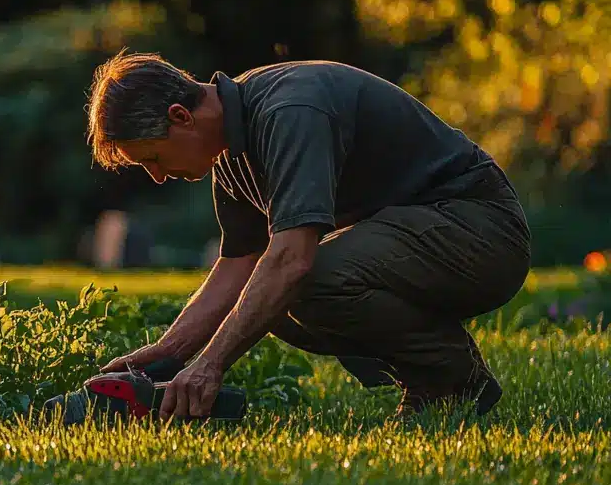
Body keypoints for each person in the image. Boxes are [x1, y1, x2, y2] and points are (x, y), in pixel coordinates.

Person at [84, 51, 532, 420]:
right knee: (267, 302)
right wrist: (169, 352)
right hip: (427, 235)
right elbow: (238, 266)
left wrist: (211, 367)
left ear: (180, 116)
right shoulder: (231, 153)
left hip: (481, 230)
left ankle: (449, 380)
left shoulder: (288, 112)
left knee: (304, 281)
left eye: (153, 159)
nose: (158, 177)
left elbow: (291, 261)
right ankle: (445, 381)